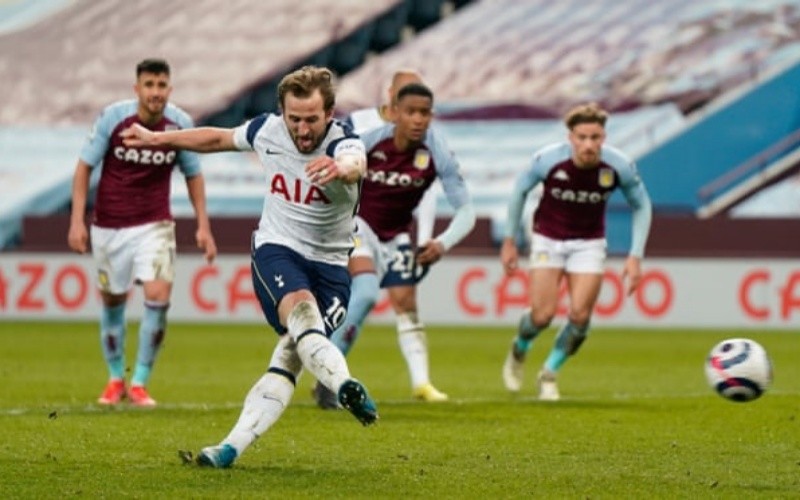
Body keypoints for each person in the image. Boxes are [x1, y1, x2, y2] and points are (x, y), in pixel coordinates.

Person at [121, 65, 378, 468]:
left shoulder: (344, 142)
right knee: (302, 312)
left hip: (331, 269)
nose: (302, 129)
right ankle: (345, 385)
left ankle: (229, 448)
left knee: (292, 353)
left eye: (311, 119)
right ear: (282, 112)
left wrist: (340, 169)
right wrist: (159, 138)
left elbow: (355, 164)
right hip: (278, 249)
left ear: (329, 114)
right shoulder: (268, 130)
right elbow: (217, 138)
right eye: (294, 118)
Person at [312, 81, 476, 409]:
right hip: (356, 226)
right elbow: (330, 174)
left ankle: (421, 383)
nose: (418, 119)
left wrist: (442, 243)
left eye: (425, 113)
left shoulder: (437, 151)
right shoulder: (369, 143)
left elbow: (467, 211)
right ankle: (329, 376)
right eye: (411, 112)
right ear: (394, 113)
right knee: (368, 292)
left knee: (405, 301)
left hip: (396, 235)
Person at [68, 58, 217, 407]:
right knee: (113, 302)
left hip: (155, 224)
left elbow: (193, 174)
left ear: (169, 88)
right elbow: (84, 167)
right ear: (137, 89)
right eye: (149, 85)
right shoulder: (113, 118)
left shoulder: (178, 124)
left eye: (161, 85)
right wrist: (77, 220)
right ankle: (115, 377)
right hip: (109, 225)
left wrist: (204, 227)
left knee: (159, 296)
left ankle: (140, 382)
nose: (155, 92)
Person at [500, 102, 652, 401]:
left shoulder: (618, 166)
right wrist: (509, 240)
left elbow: (642, 205)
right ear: (570, 137)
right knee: (542, 316)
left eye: (595, 138)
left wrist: (635, 256)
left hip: (589, 242)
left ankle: (550, 373)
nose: (588, 145)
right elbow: (519, 190)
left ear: (603, 138)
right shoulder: (548, 160)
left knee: (581, 316)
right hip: (547, 238)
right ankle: (520, 346)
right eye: (582, 137)